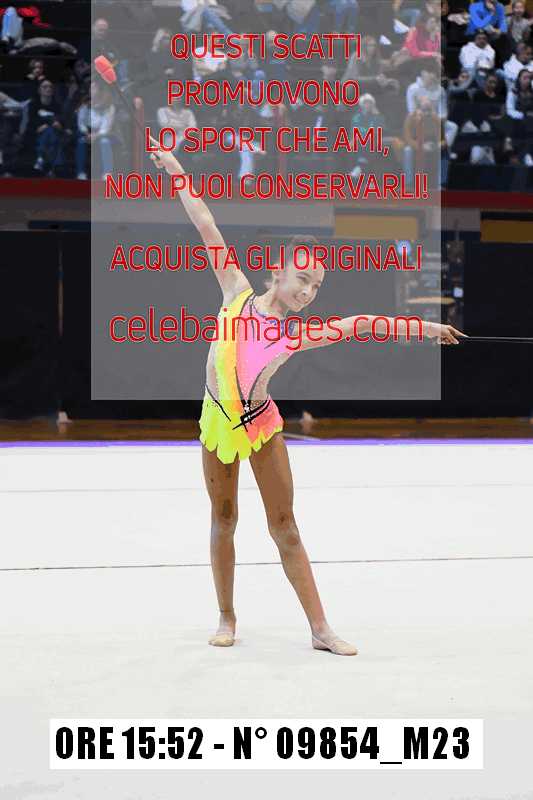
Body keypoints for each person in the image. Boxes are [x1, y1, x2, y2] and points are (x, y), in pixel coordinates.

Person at [147, 135, 465, 656]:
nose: (308, 292)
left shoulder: (298, 333)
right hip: (217, 420)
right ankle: (227, 616)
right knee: (224, 519)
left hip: (260, 422)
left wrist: (426, 328)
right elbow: (203, 219)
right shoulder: (235, 291)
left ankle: (320, 629)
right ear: (277, 272)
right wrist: (174, 166)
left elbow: (361, 323)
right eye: (302, 279)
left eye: (316, 286)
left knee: (286, 527)